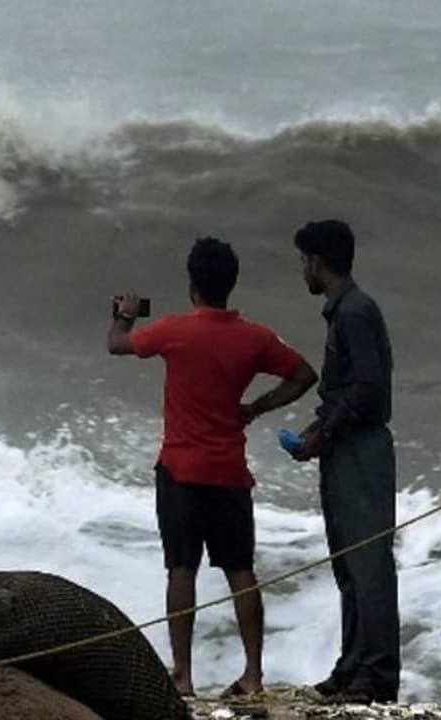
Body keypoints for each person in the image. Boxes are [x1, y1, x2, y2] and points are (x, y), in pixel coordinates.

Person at [108, 237, 318, 699]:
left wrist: (125, 313)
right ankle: (254, 676)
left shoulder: (174, 330)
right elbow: (304, 375)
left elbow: (116, 345)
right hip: (229, 473)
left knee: (181, 571)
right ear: (230, 284)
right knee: (241, 571)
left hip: (180, 471)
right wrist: (255, 407)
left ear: (193, 284)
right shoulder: (255, 337)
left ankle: (183, 677)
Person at [289, 219, 399, 704]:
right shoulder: (345, 310)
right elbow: (347, 390)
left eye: (303, 261)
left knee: (368, 566)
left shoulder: (354, 312)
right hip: (345, 448)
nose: (302, 270)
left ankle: (375, 676)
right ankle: (352, 665)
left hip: (361, 450)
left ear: (316, 262)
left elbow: (368, 389)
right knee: (349, 568)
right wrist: (317, 430)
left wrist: (325, 432)